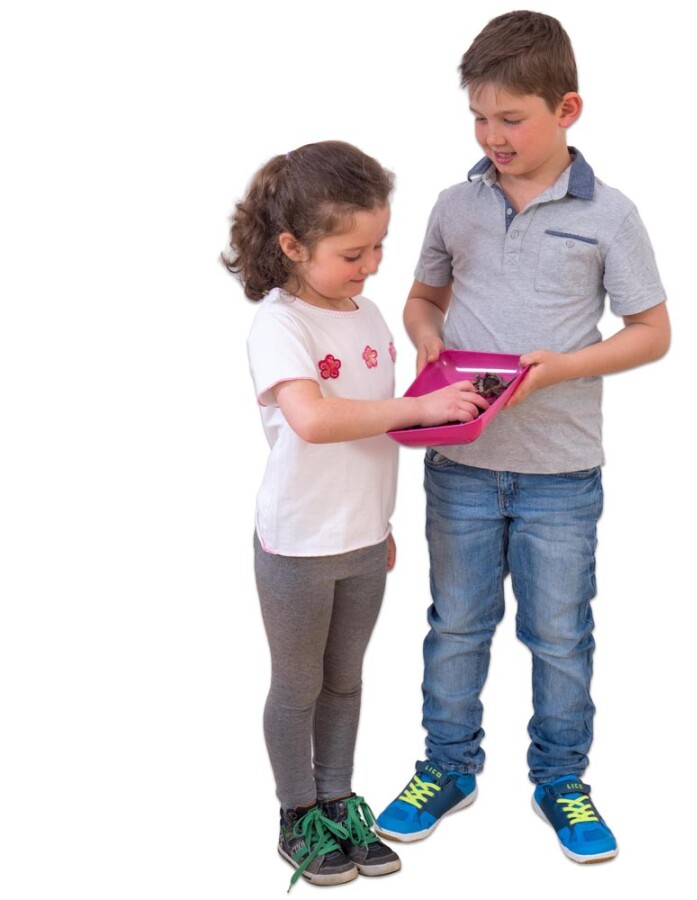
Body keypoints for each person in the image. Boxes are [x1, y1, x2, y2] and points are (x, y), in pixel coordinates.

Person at [374, 12, 671, 864]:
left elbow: (652, 332)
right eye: (479, 117)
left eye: (511, 118)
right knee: (456, 626)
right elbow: (423, 299)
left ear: (567, 109)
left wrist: (565, 367)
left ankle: (561, 779)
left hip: (560, 473)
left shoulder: (610, 215)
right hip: (460, 462)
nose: (492, 136)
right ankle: (447, 767)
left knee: (561, 635)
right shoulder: (453, 205)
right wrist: (426, 339)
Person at [221, 141, 487, 888]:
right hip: (299, 544)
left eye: (379, 247)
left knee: (345, 680)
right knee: (298, 685)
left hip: (365, 538)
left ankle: (337, 802)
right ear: (292, 246)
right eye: (352, 253)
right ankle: (297, 815)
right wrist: (417, 408)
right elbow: (312, 419)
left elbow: (372, 432)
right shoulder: (282, 325)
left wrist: (382, 520)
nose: (371, 266)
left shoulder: (369, 316)